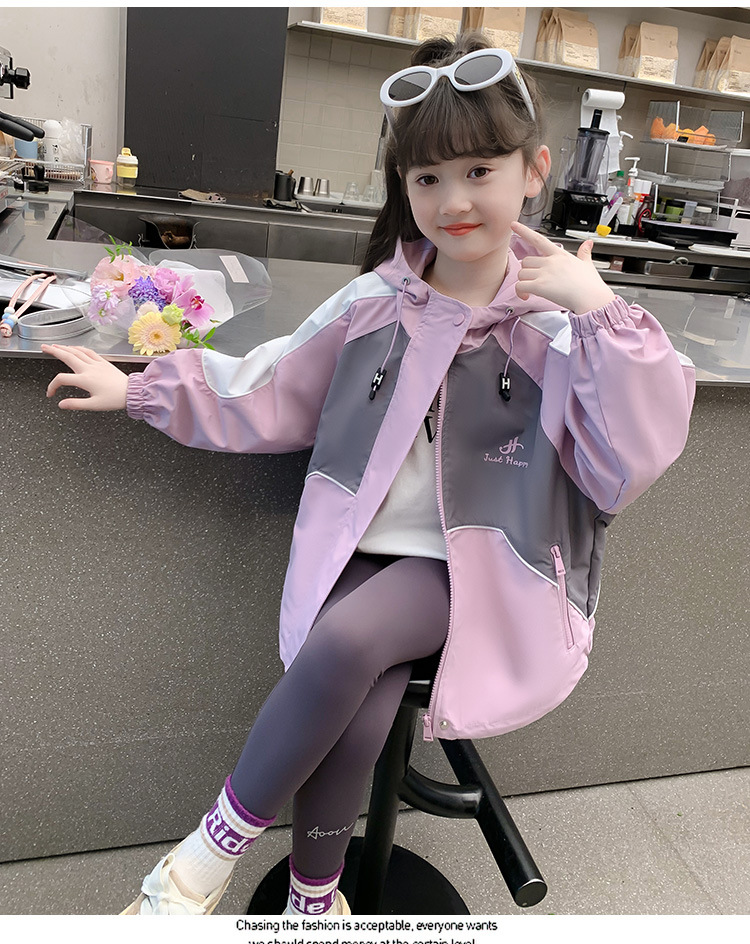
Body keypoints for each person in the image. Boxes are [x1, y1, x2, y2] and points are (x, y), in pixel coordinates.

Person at [41, 33, 695, 916]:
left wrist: (602, 311)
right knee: (358, 716)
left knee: (347, 644)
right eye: (427, 177)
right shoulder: (376, 304)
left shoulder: (561, 326)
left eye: (479, 170)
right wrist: (143, 389)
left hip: (482, 567)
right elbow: (271, 384)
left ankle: (200, 860)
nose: (453, 200)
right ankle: (315, 905)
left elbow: (631, 458)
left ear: (533, 170)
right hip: (362, 547)